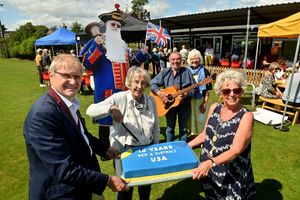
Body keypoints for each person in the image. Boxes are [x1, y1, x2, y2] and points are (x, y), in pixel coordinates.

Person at [23, 54, 129, 200]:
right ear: (51, 76)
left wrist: (105, 149)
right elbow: (64, 169)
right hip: (61, 194)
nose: (73, 82)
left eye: (77, 76)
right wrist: (107, 180)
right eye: (66, 76)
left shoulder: (68, 102)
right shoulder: (43, 114)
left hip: (81, 188)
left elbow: (82, 135)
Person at [86, 67, 160, 200]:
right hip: (125, 152)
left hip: (147, 149)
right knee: (125, 189)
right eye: (136, 82)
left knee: (145, 187)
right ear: (129, 83)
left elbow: (156, 126)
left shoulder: (150, 100)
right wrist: (111, 108)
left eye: (143, 83)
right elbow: (90, 110)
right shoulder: (119, 98)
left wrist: (155, 147)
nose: (139, 86)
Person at [80, 9, 148, 154]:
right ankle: (105, 149)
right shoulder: (98, 43)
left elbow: (130, 66)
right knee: (106, 120)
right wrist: (97, 45)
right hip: (107, 91)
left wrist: (142, 55)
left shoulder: (123, 47)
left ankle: (126, 142)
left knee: (124, 119)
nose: (116, 27)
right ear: (107, 25)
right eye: (113, 24)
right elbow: (87, 62)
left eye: (118, 25)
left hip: (124, 92)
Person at [188, 70, 256, 199]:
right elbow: (205, 134)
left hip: (230, 173)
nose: (232, 94)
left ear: (241, 91)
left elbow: (236, 150)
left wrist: (210, 163)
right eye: (226, 91)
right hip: (210, 170)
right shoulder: (214, 107)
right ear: (220, 92)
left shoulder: (246, 116)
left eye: (236, 90)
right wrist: (186, 147)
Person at [151, 52, 195, 142]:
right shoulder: (165, 72)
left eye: (178, 59)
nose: (176, 61)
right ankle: (169, 147)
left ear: (181, 60)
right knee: (170, 128)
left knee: (183, 129)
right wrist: (160, 94)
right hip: (169, 105)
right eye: (173, 59)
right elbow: (152, 83)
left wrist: (185, 95)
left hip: (184, 105)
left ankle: (182, 149)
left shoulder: (187, 72)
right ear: (169, 61)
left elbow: (194, 89)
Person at [187, 49, 212, 135]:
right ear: (189, 60)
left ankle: (202, 136)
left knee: (201, 119)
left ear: (200, 59)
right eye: (192, 59)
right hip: (189, 100)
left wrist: (205, 103)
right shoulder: (186, 71)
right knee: (190, 118)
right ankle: (192, 134)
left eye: (196, 58)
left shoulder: (205, 71)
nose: (194, 61)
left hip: (201, 99)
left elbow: (208, 89)